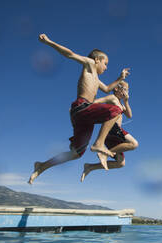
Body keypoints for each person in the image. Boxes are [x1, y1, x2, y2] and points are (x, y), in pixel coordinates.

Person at [28, 34, 130, 184]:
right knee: (115, 108)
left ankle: (41, 166)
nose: (106, 67)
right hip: (82, 107)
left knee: (76, 153)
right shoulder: (89, 64)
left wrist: (120, 78)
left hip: (85, 117)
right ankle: (99, 144)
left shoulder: (97, 78)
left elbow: (108, 88)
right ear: (97, 60)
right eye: (105, 63)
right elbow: (70, 54)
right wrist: (49, 42)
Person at [81, 81, 138, 182]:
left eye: (127, 91)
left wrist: (126, 101)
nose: (126, 92)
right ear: (116, 88)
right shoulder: (112, 98)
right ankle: (105, 154)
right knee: (134, 144)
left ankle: (90, 167)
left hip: (113, 136)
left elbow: (129, 115)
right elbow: (97, 101)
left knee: (120, 163)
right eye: (124, 89)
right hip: (112, 129)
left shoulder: (121, 104)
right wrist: (84, 107)